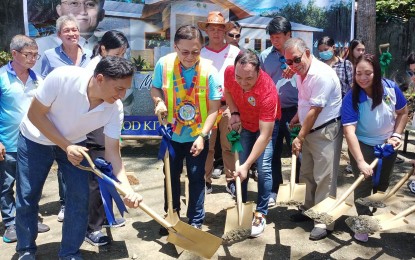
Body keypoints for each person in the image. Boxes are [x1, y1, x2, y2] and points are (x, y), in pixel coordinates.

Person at [15, 56, 142, 259]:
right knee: (28, 196)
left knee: (80, 197)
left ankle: (69, 252)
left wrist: (127, 189)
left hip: (75, 143)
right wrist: (66, 146)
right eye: (119, 88)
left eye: (126, 89)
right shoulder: (63, 77)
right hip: (35, 138)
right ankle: (26, 250)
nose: (122, 95)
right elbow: (35, 115)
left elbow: (112, 152)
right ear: (100, 78)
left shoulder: (114, 109)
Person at [150, 25, 221, 233]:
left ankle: (196, 219)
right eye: (185, 52)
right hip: (171, 135)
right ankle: (171, 215)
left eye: (196, 52)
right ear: (175, 47)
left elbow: (214, 109)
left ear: (202, 48)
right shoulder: (164, 65)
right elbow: (155, 87)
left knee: (196, 177)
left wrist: (202, 136)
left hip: (197, 136)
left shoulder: (210, 70)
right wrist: (158, 101)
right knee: (170, 177)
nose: (190, 57)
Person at [341, 53, 408, 242]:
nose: (362, 78)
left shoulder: (391, 88)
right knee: (363, 185)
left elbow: (403, 112)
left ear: (376, 73)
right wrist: (361, 161)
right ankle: (363, 222)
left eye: (368, 73)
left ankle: (371, 213)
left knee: (382, 185)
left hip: (388, 144)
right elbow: (349, 132)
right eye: (358, 73)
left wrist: (396, 135)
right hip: (363, 144)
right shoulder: (352, 97)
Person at [284, 38, 343, 241]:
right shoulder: (302, 72)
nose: (293, 65)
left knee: (324, 177)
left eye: (296, 59)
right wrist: (297, 117)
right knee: (307, 173)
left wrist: (299, 137)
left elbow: (316, 110)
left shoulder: (321, 74)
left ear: (307, 53)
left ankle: (323, 221)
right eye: (289, 62)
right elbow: (305, 101)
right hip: (308, 129)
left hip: (325, 130)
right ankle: (308, 210)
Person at [39, 14, 91, 223]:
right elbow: (43, 86)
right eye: (67, 30)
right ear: (59, 34)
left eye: (75, 30)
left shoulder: (88, 55)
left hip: (85, 118)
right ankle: (64, 203)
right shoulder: (49, 55)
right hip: (58, 119)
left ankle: (77, 203)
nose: (72, 34)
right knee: (63, 160)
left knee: (79, 161)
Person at [0, 35, 50, 244]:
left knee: (29, 185)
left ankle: (28, 218)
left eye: (35, 55)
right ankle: (11, 222)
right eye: (28, 54)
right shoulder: (2, 77)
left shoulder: (38, 79)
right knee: (5, 185)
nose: (32, 59)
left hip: (32, 142)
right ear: (14, 54)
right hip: (7, 142)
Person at [226, 49, 281, 238]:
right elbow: (228, 90)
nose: (242, 82)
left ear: (258, 72)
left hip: (264, 128)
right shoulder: (230, 73)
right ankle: (241, 205)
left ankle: (261, 212)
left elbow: (265, 136)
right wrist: (234, 112)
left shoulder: (268, 91)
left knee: (263, 167)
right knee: (240, 165)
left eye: (248, 78)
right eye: (239, 77)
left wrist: (248, 165)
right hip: (244, 123)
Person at [83, 30, 129, 246]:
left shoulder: (112, 73)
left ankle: (106, 217)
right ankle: (92, 227)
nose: (120, 58)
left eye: (123, 54)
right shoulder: (93, 70)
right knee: (95, 178)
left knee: (107, 174)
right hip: (91, 132)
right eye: (117, 53)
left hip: (104, 129)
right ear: (103, 49)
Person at [198, 11, 239, 196]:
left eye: (220, 29)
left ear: (225, 31)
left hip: (230, 105)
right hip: (207, 106)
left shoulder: (235, 52)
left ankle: (231, 180)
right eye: (212, 29)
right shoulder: (200, 53)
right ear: (206, 31)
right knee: (207, 146)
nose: (216, 33)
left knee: (230, 144)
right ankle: (205, 180)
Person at [259, 16, 297, 206]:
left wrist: (295, 68)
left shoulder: (300, 56)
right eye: (272, 37)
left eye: (279, 36)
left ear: (289, 34)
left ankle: (298, 189)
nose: (275, 40)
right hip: (272, 112)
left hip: (295, 111)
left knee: (297, 150)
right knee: (272, 151)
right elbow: (262, 83)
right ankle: (274, 189)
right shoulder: (265, 56)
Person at [33, 0, 105, 73]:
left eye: (90, 4)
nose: (82, 11)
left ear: (101, 14)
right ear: (59, 10)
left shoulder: (109, 47)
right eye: (74, 3)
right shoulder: (40, 46)